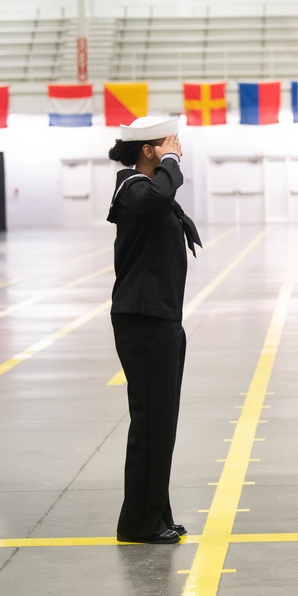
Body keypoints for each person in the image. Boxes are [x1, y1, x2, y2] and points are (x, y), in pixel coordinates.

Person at [108, 116, 202, 545]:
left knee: (162, 422)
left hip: (160, 317)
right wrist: (170, 160)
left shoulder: (144, 190)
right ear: (148, 150)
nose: (176, 148)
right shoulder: (133, 188)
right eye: (167, 143)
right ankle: (138, 523)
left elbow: (164, 199)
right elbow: (162, 193)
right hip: (144, 320)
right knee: (150, 422)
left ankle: (156, 512)